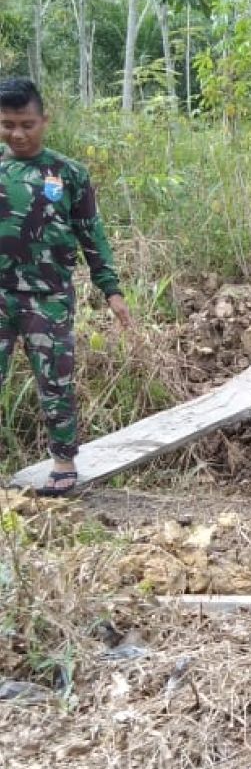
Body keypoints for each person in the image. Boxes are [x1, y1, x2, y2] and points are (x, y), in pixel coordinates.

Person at [0, 77, 134, 496]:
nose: (17, 133)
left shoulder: (69, 173)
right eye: (7, 125)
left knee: (55, 382)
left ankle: (63, 460)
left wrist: (110, 290)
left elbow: (92, 235)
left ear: (44, 121)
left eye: (26, 123)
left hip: (49, 299)